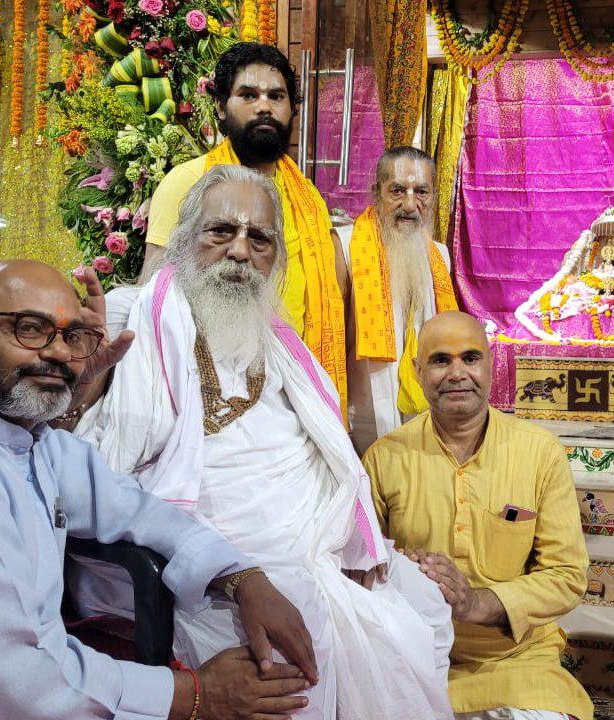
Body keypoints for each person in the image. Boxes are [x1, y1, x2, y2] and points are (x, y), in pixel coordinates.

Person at [71, 164, 454, 720]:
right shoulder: (131, 316)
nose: (240, 251)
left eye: (259, 238)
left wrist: (353, 529)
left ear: (276, 257)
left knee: (422, 605)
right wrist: (85, 380)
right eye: (220, 231)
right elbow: (65, 446)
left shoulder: (277, 339)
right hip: (201, 536)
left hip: (310, 529)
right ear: (184, 240)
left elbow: (329, 449)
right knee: (298, 631)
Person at [0, 259, 316, 720]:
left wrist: (243, 576)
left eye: (71, 336)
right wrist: (197, 695)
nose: (60, 353)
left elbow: (141, 512)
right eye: (30, 329)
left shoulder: (34, 442)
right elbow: (14, 681)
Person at [363, 311, 593, 720]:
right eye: (440, 360)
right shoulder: (385, 458)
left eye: (470, 358)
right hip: (415, 657)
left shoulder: (539, 452)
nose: (456, 373)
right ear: (417, 371)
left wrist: (475, 604)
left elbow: (566, 576)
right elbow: (361, 569)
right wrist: (401, 572)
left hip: (518, 661)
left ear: (491, 364)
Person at [142, 42, 348, 411]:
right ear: (221, 106)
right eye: (248, 95)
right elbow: (152, 293)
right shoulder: (187, 181)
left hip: (293, 390)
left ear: (291, 108)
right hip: (202, 388)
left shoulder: (308, 200)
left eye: (276, 95)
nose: (264, 106)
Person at [340, 146, 458, 454]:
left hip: (422, 419)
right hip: (362, 425)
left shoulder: (439, 256)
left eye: (421, 191)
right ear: (376, 193)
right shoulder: (345, 247)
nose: (409, 204)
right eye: (397, 191)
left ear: (433, 196)